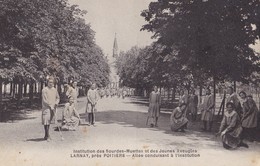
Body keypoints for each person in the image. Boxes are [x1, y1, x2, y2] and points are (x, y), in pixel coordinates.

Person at [41, 77, 60, 141]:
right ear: (47, 82)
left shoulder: (54, 90)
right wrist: (50, 105)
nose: (51, 83)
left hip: (53, 108)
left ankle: (46, 135)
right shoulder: (44, 90)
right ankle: (47, 135)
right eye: (49, 82)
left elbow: (58, 98)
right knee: (46, 121)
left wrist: (56, 103)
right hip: (46, 108)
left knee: (49, 122)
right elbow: (44, 100)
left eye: (52, 82)